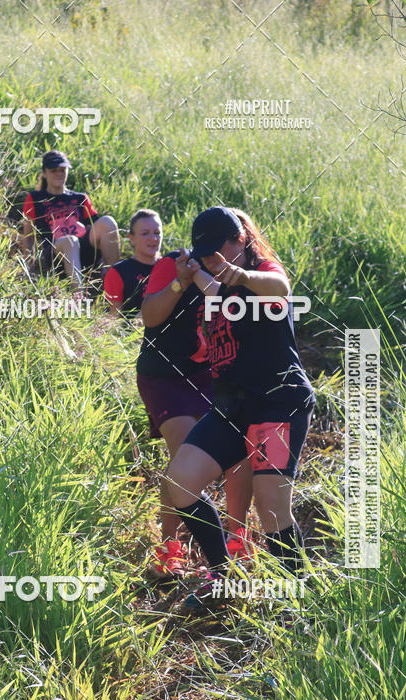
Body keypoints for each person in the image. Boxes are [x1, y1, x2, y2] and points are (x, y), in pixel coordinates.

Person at [165, 206, 315, 611]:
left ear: (241, 240)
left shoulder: (260, 268)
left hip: (277, 403)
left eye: (220, 249)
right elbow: (218, 295)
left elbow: (280, 287)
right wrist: (193, 273)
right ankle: (224, 579)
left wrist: (244, 275)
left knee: (271, 505)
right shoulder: (220, 283)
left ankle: (296, 605)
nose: (216, 257)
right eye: (207, 252)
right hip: (233, 406)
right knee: (180, 481)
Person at [139, 230, 254, 578]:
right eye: (212, 252)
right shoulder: (173, 264)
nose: (218, 259)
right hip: (164, 375)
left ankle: (237, 538)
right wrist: (180, 281)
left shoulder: (241, 278)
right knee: (185, 451)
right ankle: (170, 548)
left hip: (209, 377)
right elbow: (150, 316)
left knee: (238, 453)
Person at [21, 150, 120, 290]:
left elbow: (95, 228)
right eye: (53, 170)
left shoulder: (80, 198)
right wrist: (29, 266)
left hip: (83, 251)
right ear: (44, 173)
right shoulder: (35, 198)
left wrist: (103, 260)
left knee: (107, 222)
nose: (59, 173)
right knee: (69, 240)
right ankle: (78, 295)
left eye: (62, 169)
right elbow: (28, 235)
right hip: (54, 254)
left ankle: (113, 281)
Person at [103, 209, 162, 318]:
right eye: (145, 233)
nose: (153, 238)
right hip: (135, 331)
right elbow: (116, 320)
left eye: (157, 233)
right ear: (131, 238)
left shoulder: (172, 266)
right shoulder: (118, 272)